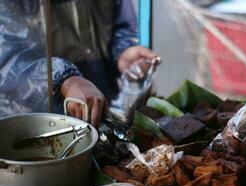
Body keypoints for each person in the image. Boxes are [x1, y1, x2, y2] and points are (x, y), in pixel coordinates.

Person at [0, 0, 157, 129]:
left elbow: (119, 20)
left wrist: (121, 52)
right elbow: (7, 58)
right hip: (35, 124)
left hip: (103, 111)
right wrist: (64, 80)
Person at [51, 0, 158, 128]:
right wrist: (65, 80)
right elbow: (21, 58)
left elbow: (121, 25)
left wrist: (121, 52)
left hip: (108, 104)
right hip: (48, 121)